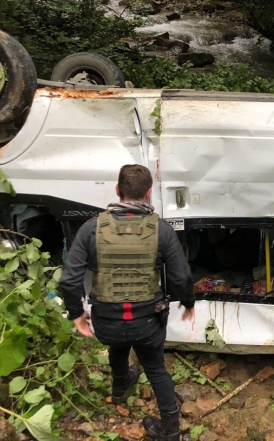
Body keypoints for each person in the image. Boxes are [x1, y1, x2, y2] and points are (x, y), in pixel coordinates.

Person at [59, 164, 195, 441]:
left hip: (107, 322)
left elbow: (69, 280)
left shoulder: (90, 229)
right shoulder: (162, 230)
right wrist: (188, 303)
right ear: (148, 194)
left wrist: (76, 313)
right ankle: (171, 429)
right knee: (155, 367)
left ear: (117, 191)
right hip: (147, 322)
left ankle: (120, 390)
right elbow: (181, 277)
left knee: (118, 346)